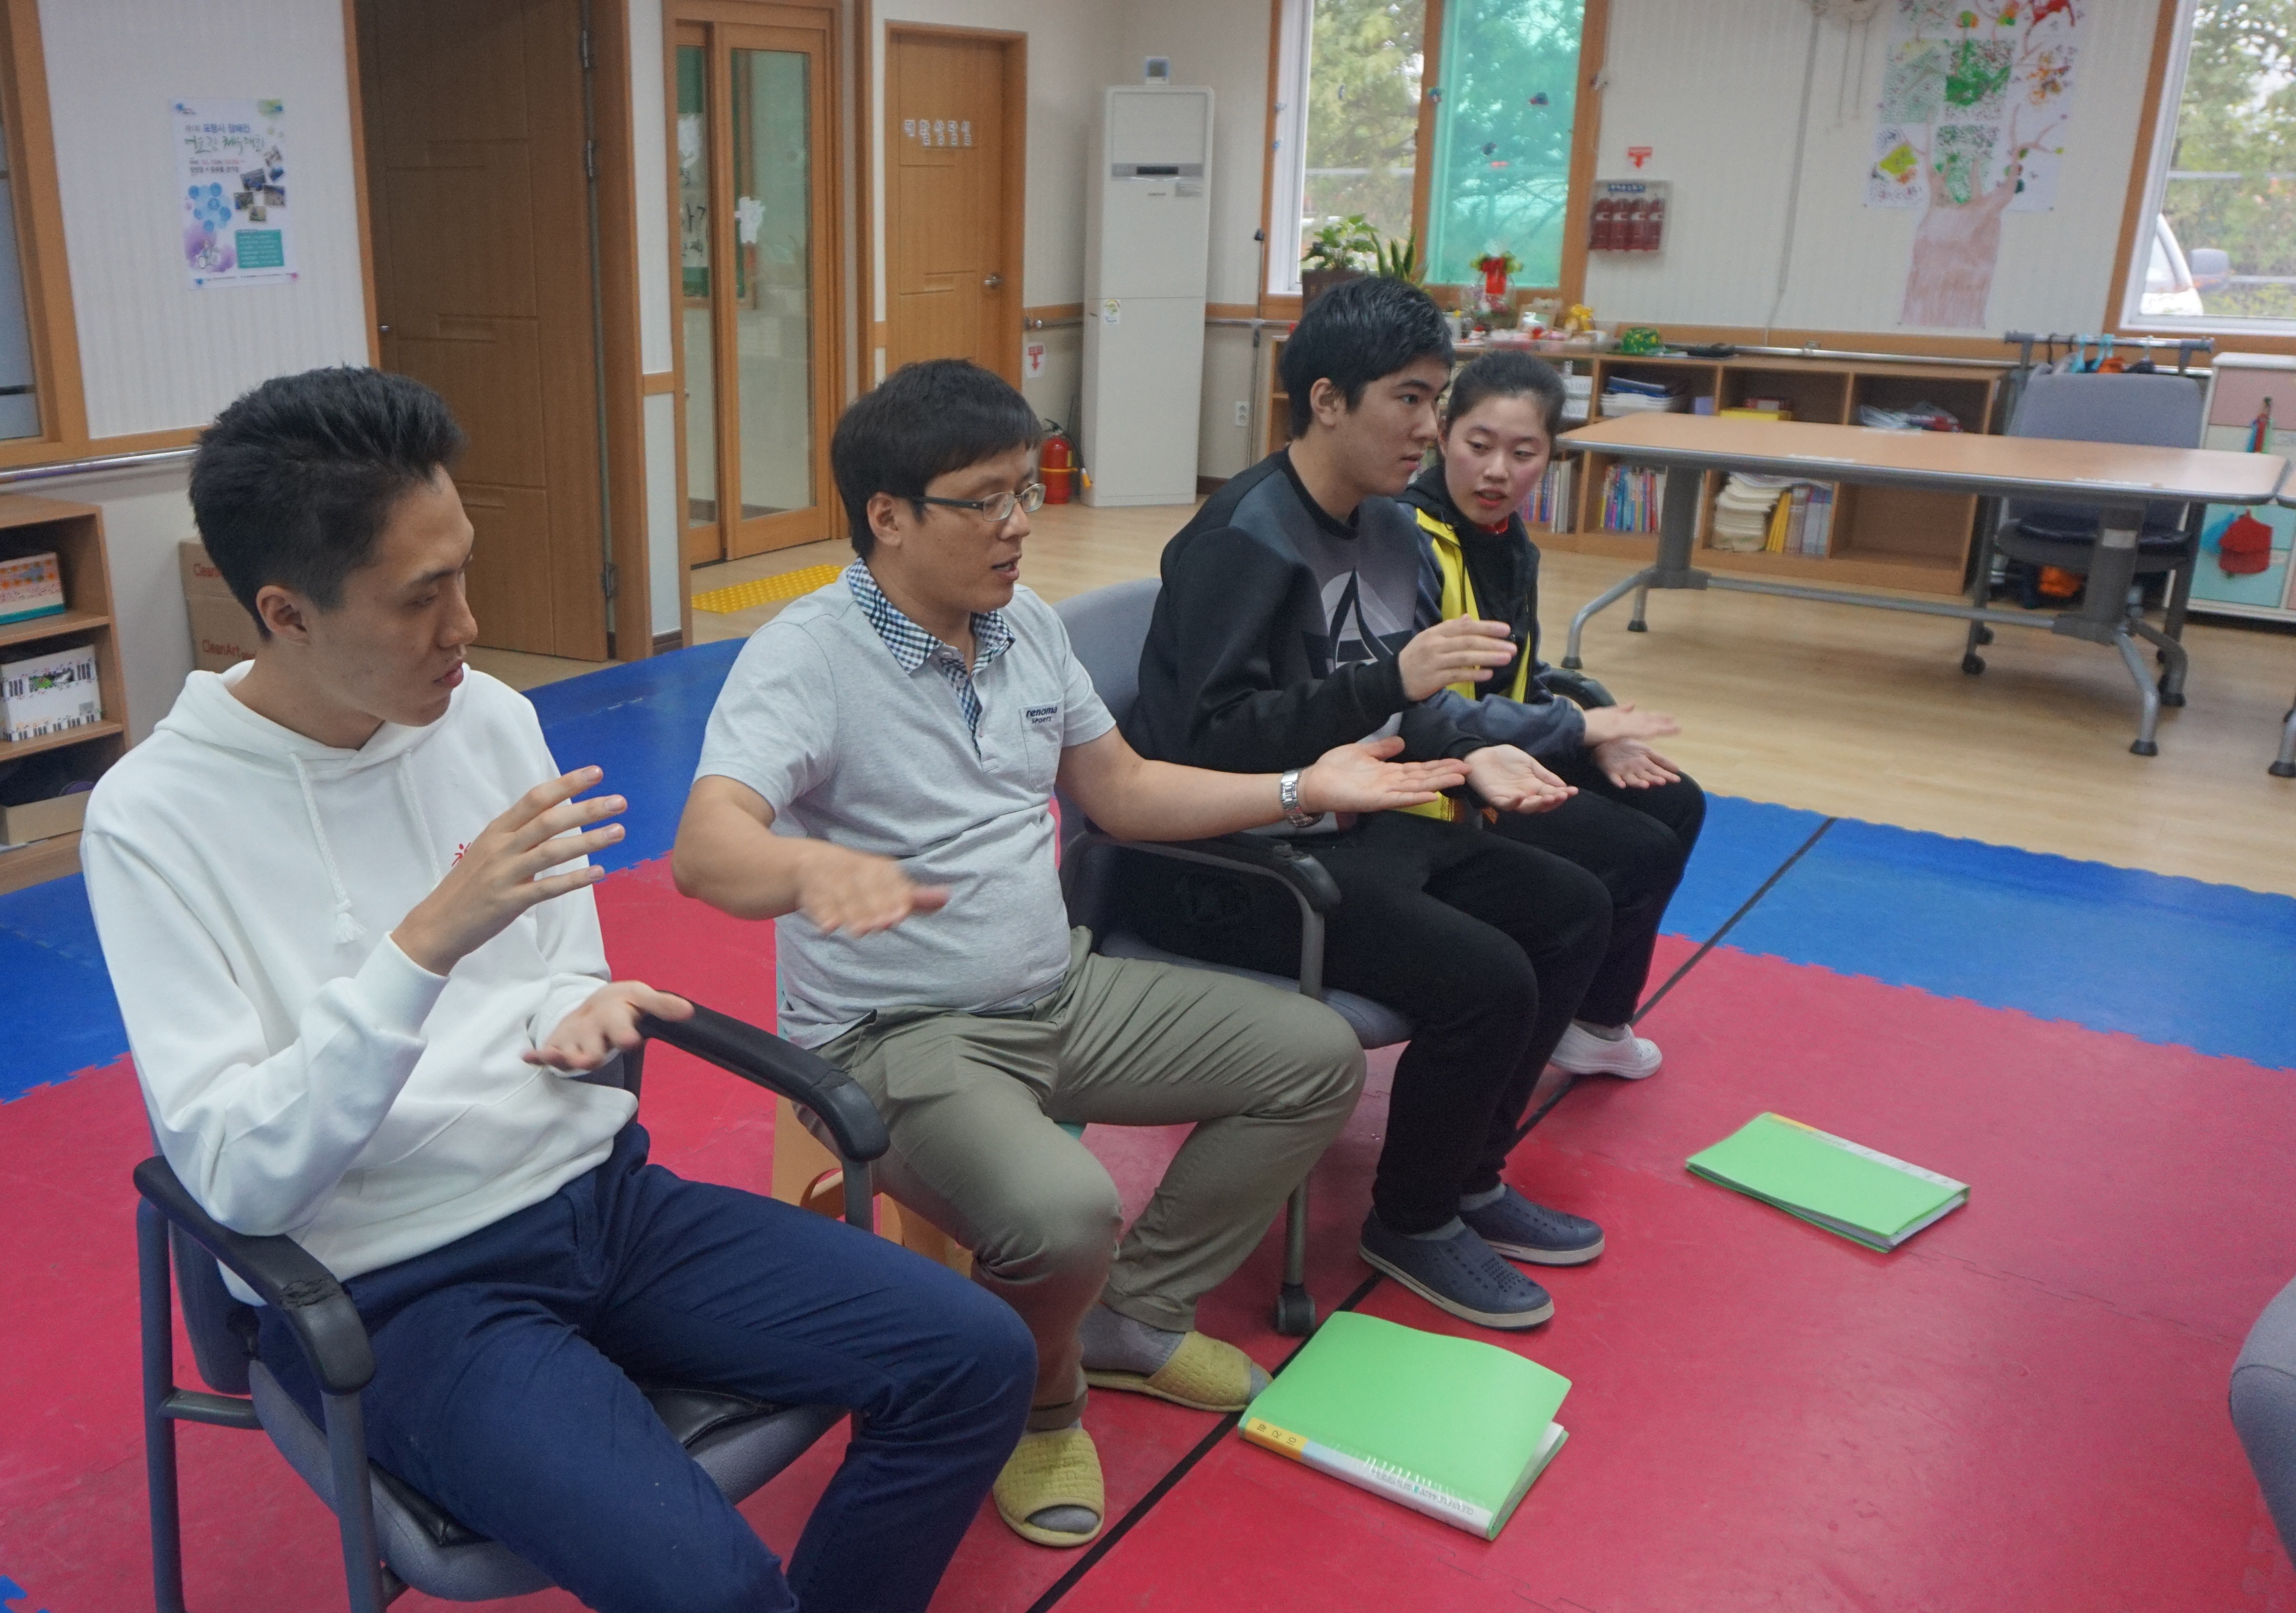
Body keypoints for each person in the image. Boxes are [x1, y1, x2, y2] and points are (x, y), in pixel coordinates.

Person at [80, 367, 1038, 1613]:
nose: (466, 625)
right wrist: (424, 943)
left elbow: (552, 972)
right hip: (393, 1289)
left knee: (976, 1356)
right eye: (421, 596)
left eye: (464, 574)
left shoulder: (480, 717)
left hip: (602, 1203)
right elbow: (235, 1180)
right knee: (717, 1590)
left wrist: (570, 1012)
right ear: (285, 612)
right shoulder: (154, 816)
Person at [673, 358, 1466, 1549]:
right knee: (1065, 1210)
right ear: (888, 516)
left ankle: (1128, 1316)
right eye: (983, 500)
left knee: (1312, 1060)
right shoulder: (808, 656)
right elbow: (704, 849)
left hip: (1058, 988)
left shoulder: (1025, 625)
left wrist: (1302, 784)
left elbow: (1125, 791)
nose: (1018, 524)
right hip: (899, 1034)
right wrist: (805, 870)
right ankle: (1042, 1401)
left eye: (1025, 490)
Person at [1119, 276, 1614, 1333]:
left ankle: (1468, 1175)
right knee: (1487, 976)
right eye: (1410, 400)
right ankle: (1413, 1217)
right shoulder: (1242, 538)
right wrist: (1389, 687)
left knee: (1573, 906)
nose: (1429, 429)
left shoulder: (1392, 527)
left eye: (1436, 399)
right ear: (1328, 400)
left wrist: (1471, 751)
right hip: (1230, 859)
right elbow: (1203, 744)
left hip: (1354, 823)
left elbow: (1408, 702)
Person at [1398, 349, 1708, 1073]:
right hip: (1442, 770)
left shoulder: (1510, 542)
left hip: (1507, 745)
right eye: (1479, 446)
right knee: (1639, 852)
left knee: (1676, 802)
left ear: (1550, 458)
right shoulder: (1408, 537)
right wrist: (1577, 726)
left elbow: (1516, 678)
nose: (1497, 472)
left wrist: (1592, 737)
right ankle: (1557, 1017)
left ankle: (1595, 1021)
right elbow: (1425, 707)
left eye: (1523, 453)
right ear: (1443, 435)